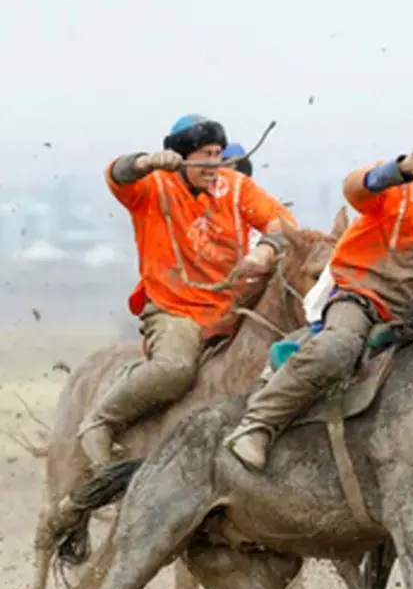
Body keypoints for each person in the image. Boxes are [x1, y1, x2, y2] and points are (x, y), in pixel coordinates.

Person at [223, 119, 413, 470]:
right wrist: (395, 170)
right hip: (360, 295)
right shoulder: (405, 186)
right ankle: (256, 425)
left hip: (410, 315)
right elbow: (356, 189)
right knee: (339, 349)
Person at [77, 114, 295, 468]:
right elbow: (116, 175)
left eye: (218, 153)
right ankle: (101, 420)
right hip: (174, 307)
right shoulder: (152, 187)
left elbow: (282, 222)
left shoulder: (235, 186)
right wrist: (145, 162)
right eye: (205, 155)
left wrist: (266, 249)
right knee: (175, 369)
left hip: (234, 304)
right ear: (182, 156)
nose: (214, 164)